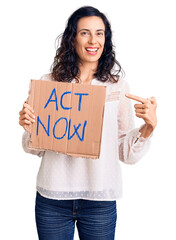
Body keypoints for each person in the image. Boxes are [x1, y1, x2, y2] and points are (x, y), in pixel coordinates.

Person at [19, 6, 157, 240]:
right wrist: (29, 126)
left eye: (99, 33)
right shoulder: (49, 84)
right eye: (85, 32)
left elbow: (125, 153)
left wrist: (148, 127)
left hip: (99, 201)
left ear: (106, 39)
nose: (93, 40)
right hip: (53, 198)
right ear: (72, 38)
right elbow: (34, 148)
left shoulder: (117, 87)